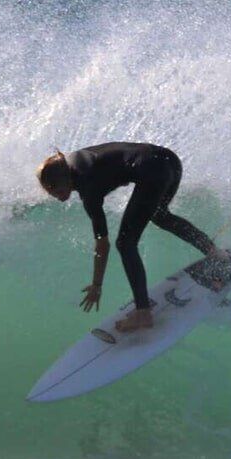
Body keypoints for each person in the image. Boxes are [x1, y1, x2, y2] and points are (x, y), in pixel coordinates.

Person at [36, 142, 221, 333]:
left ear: (65, 179)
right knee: (160, 215)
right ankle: (215, 253)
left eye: (56, 191)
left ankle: (143, 313)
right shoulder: (74, 159)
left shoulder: (88, 189)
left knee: (125, 243)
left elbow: (102, 244)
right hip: (169, 160)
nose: (55, 197)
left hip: (153, 172)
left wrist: (97, 285)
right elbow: (116, 161)